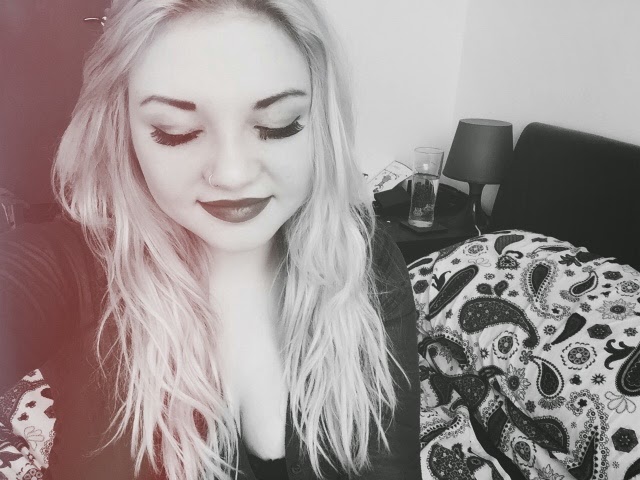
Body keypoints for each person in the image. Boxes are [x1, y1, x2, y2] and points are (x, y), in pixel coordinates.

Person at [0, 0, 420, 479]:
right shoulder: (72, 266)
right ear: (123, 129)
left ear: (321, 122)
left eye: (279, 124)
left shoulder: (362, 261)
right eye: (175, 132)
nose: (232, 174)